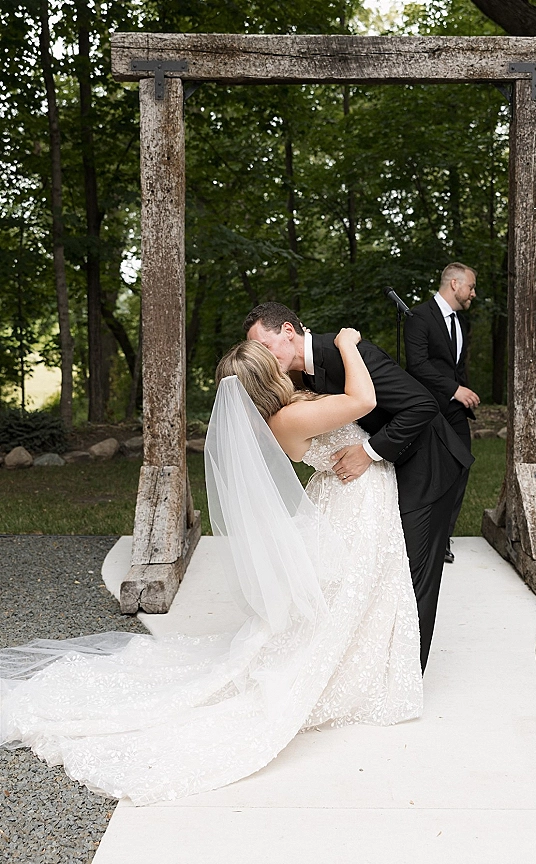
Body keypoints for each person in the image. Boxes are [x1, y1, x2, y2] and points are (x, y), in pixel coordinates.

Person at [0, 330, 422, 806]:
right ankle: (354, 674)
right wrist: (348, 341)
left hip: (350, 495)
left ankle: (363, 665)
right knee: (357, 592)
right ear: (268, 376)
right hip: (356, 502)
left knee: (358, 593)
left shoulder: (279, 419)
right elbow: (364, 399)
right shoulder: (294, 416)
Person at [244, 303, 474, 672]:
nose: (264, 357)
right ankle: (375, 663)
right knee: (385, 568)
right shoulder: (297, 377)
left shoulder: (351, 353)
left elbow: (421, 405)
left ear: (288, 330)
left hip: (428, 465)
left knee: (414, 572)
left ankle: (404, 674)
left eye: (265, 346)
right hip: (386, 472)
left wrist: (368, 452)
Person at [403, 263, 480, 564]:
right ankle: (424, 536)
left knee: (461, 466)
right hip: (428, 408)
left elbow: (454, 365)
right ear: (454, 283)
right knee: (428, 472)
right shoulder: (418, 317)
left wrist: (461, 393)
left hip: (455, 410)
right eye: (471, 287)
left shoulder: (459, 322)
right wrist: (454, 389)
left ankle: (443, 537)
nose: (473, 293)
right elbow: (418, 365)